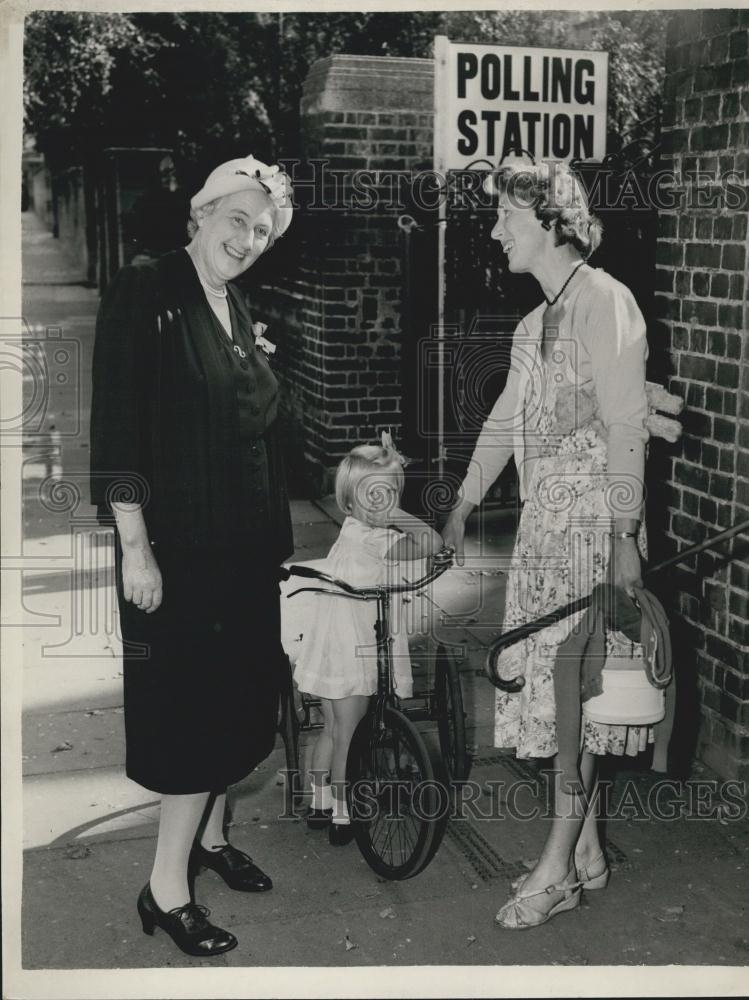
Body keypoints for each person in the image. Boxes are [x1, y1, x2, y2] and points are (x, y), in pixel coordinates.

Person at [90, 155, 294, 957]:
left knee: (238, 704)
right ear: (202, 213)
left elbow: (247, 417)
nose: (247, 239)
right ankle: (165, 887)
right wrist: (135, 549)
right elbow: (118, 429)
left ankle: (208, 841)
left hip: (242, 548)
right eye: (237, 219)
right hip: (177, 552)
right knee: (192, 715)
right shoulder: (146, 292)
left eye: (262, 230)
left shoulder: (234, 304)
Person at [442, 160, 651, 930]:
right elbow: (505, 418)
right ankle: (590, 850)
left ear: (551, 221)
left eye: (505, 216)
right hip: (542, 536)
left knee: (573, 704)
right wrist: (463, 503)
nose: (496, 230)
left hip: (595, 531)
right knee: (553, 702)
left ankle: (557, 867)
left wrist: (626, 538)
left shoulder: (607, 303)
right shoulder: (533, 323)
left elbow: (628, 425)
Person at [293, 434, 443, 845]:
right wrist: (400, 514)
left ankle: (320, 801)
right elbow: (433, 543)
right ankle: (344, 814)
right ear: (350, 500)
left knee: (333, 729)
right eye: (373, 495)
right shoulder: (375, 539)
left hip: (331, 645)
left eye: (390, 494)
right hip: (354, 646)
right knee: (350, 734)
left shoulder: (353, 528)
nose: (383, 504)